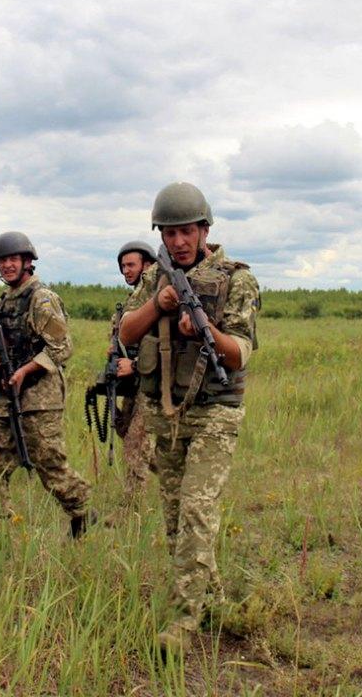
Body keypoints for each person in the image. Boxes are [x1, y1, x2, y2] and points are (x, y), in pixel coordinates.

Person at [118, 182, 260, 656]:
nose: (179, 241)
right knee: (178, 518)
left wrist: (206, 333)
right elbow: (126, 332)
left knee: (198, 510)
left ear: (205, 230)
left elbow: (239, 353)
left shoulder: (236, 278)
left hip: (216, 410)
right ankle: (214, 599)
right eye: (170, 232)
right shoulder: (154, 277)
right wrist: (156, 306)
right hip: (165, 411)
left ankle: (183, 622)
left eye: (187, 231)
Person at [0, 232, 92, 551]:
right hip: (3, 400)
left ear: (27, 262)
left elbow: (62, 348)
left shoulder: (42, 298)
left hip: (39, 401)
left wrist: (26, 370)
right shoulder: (3, 300)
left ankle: (82, 514)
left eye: (14, 259)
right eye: (2, 261)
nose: (8, 265)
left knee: (50, 470)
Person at [110, 240, 158, 507]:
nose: (126, 270)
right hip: (133, 383)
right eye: (123, 266)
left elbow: (166, 344)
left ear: (147, 265)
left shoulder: (155, 299)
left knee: (136, 444)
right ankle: (180, 475)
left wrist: (136, 364)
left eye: (131, 265)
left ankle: (131, 511)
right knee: (126, 430)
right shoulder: (135, 298)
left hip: (150, 383)